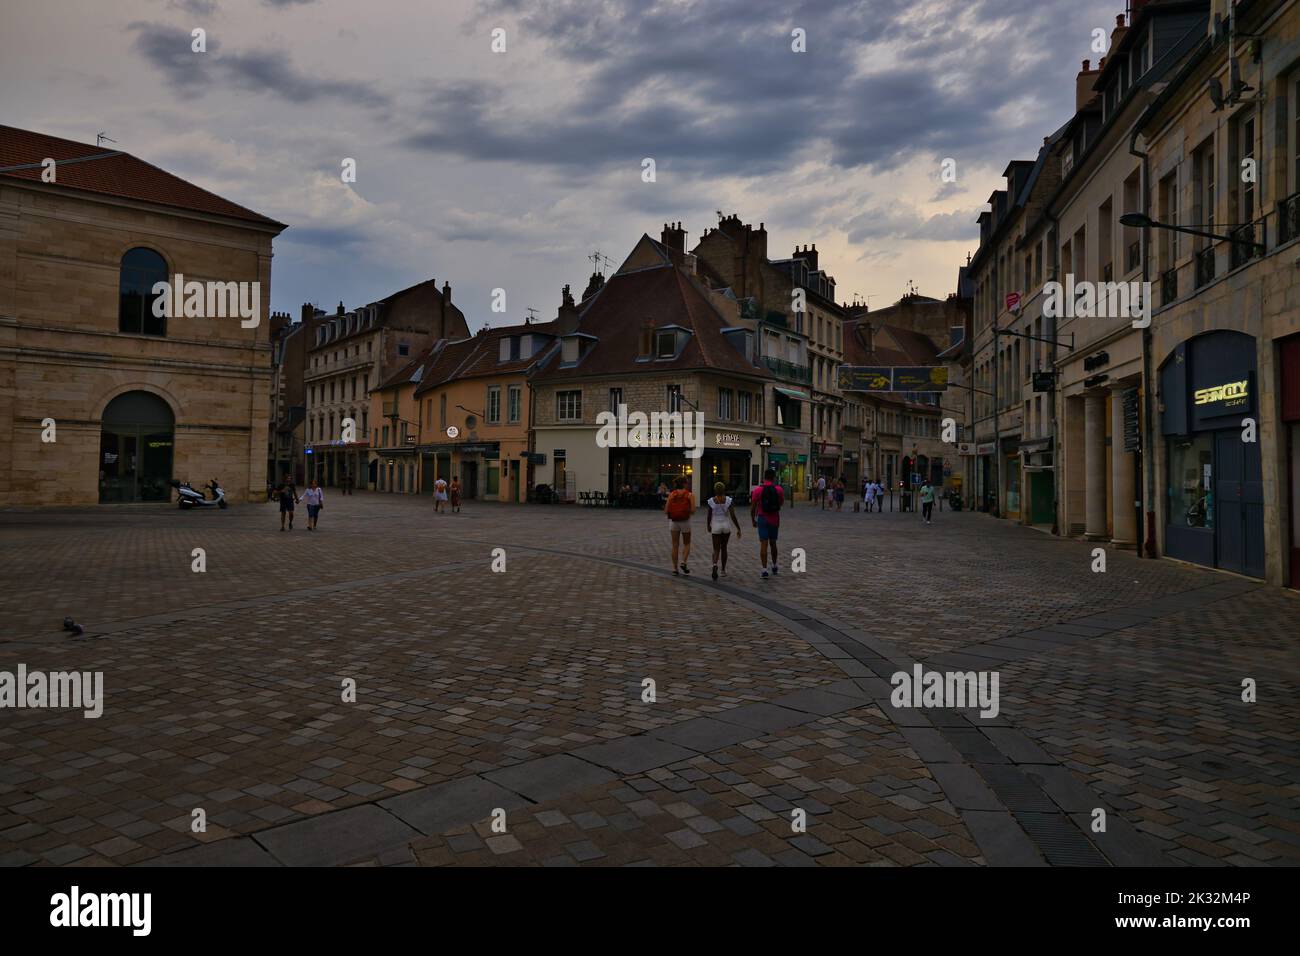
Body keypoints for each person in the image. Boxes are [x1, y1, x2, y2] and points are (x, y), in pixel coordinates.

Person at [750, 467, 784, 579]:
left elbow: (753, 507)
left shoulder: (758, 490)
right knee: (773, 543)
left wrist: (753, 520)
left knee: (763, 544)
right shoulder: (779, 489)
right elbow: (781, 503)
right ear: (774, 478)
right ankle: (774, 565)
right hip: (774, 518)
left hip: (762, 518)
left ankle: (764, 570)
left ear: (764, 477)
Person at [705, 481, 741, 580]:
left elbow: (709, 516)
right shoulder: (728, 500)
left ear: (715, 490)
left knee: (716, 549)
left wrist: (708, 525)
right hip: (726, 525)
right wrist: (738, 528)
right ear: (724, 490)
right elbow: (733, 515)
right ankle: (723, 570)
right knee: (724, 547)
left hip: (716, 525)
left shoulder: (711, 501)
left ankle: (715, 564)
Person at [664, 476, 695, 575]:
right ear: (685, 484)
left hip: (674, 522)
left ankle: (674, 569)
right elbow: (693, 510)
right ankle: (684, 562)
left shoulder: (672, 494)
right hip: (685, 521)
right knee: (687, 543)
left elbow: (666, 510)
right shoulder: (690, 495)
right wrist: (686, 511)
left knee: (675, 545)